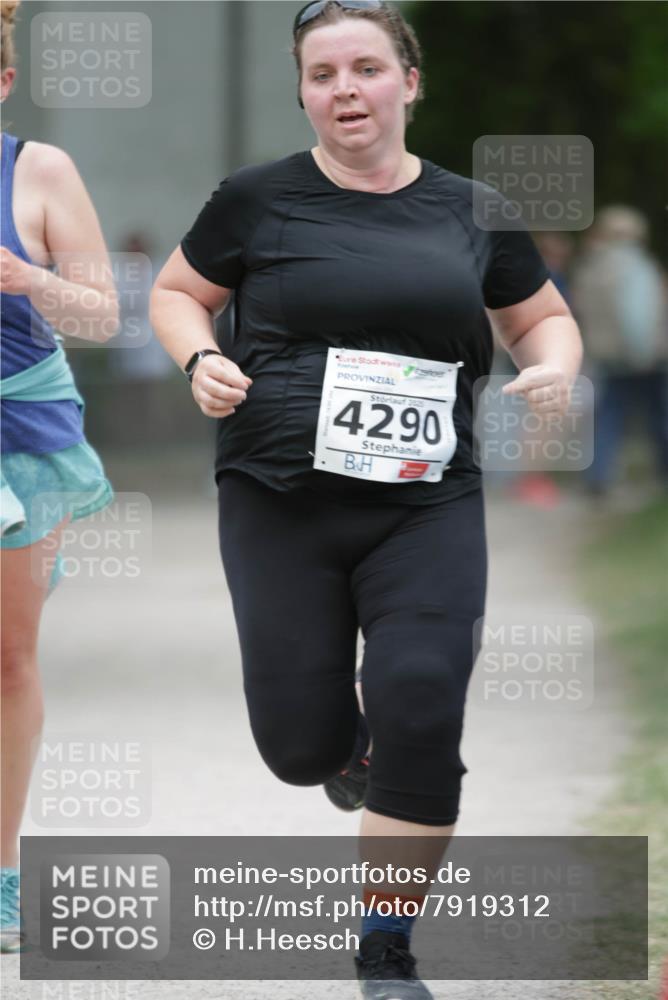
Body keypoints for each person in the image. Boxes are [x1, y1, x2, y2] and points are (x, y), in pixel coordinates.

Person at [150, 2, 582, 995]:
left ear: (407, 81)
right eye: (321, 74)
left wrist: (551, 367)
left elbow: (541, 317)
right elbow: (176, 292)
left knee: (421, 700)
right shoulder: (254, 200)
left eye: (365, 68)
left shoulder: (471, 209)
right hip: (277, 498)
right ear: (303, 92)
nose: (344, 88)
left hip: (422, 502)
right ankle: (344, 750)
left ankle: (384, 953)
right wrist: (198, 358)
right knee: (296, 746)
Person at [0, 0, 118, 953]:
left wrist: (27, 278)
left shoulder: (38, 171)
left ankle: (1, 879)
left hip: (19, 437)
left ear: (2, 82)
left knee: (6, 658)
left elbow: (104, 317)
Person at [570, 205, 668, 496]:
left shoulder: (589, 267)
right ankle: (664, 472)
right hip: (641, 356)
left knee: (608, 416)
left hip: (605, 354)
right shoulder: (637, 266)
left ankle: (597, 477)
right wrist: (643, 352)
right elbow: (637, 315)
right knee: (658, 415)